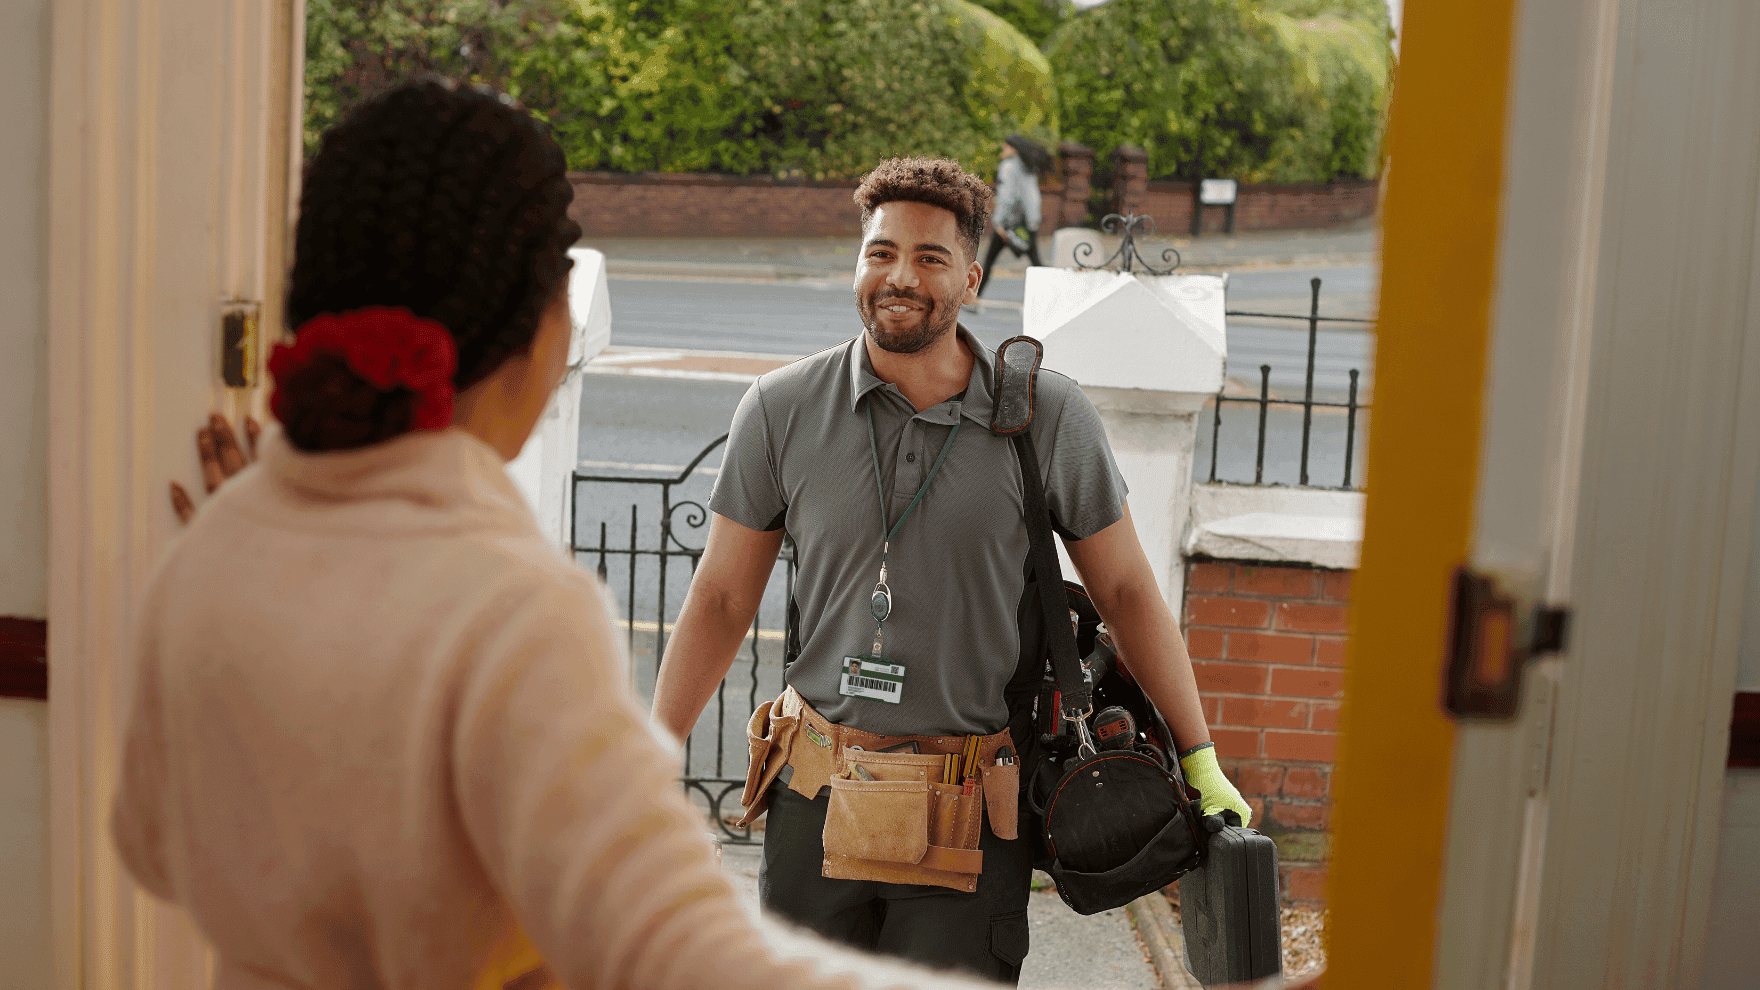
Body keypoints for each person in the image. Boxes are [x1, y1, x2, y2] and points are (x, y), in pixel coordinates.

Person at [113, 80, 1001, 990]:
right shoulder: (508, 612)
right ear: (541, 329)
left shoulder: (216, 552)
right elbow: (681, 957)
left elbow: (148, 845)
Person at [651, 157, 1251, 984]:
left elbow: (1125, 591)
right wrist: (653, 752)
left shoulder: (1044, 416)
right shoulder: (780, 409)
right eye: (880, 252)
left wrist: (1199, 756)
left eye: (930, 258)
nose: (900, 276)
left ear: (972, 276)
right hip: (815, 799)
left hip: (971, 816)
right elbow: (720, 599)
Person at [975, 136, 1050, 299]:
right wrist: (1033, 221)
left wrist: (998, 222)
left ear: (1013, 148)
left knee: (989, 260)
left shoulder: (1008, 166)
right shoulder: (1028, 167)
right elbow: (1032, 196)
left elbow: (1006, 197)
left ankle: (975, 298)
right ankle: (1052, 295)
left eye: (1005, 147)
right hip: (1028, 222)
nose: (1003, 149)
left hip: (1010, 223)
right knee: (1035, 261)